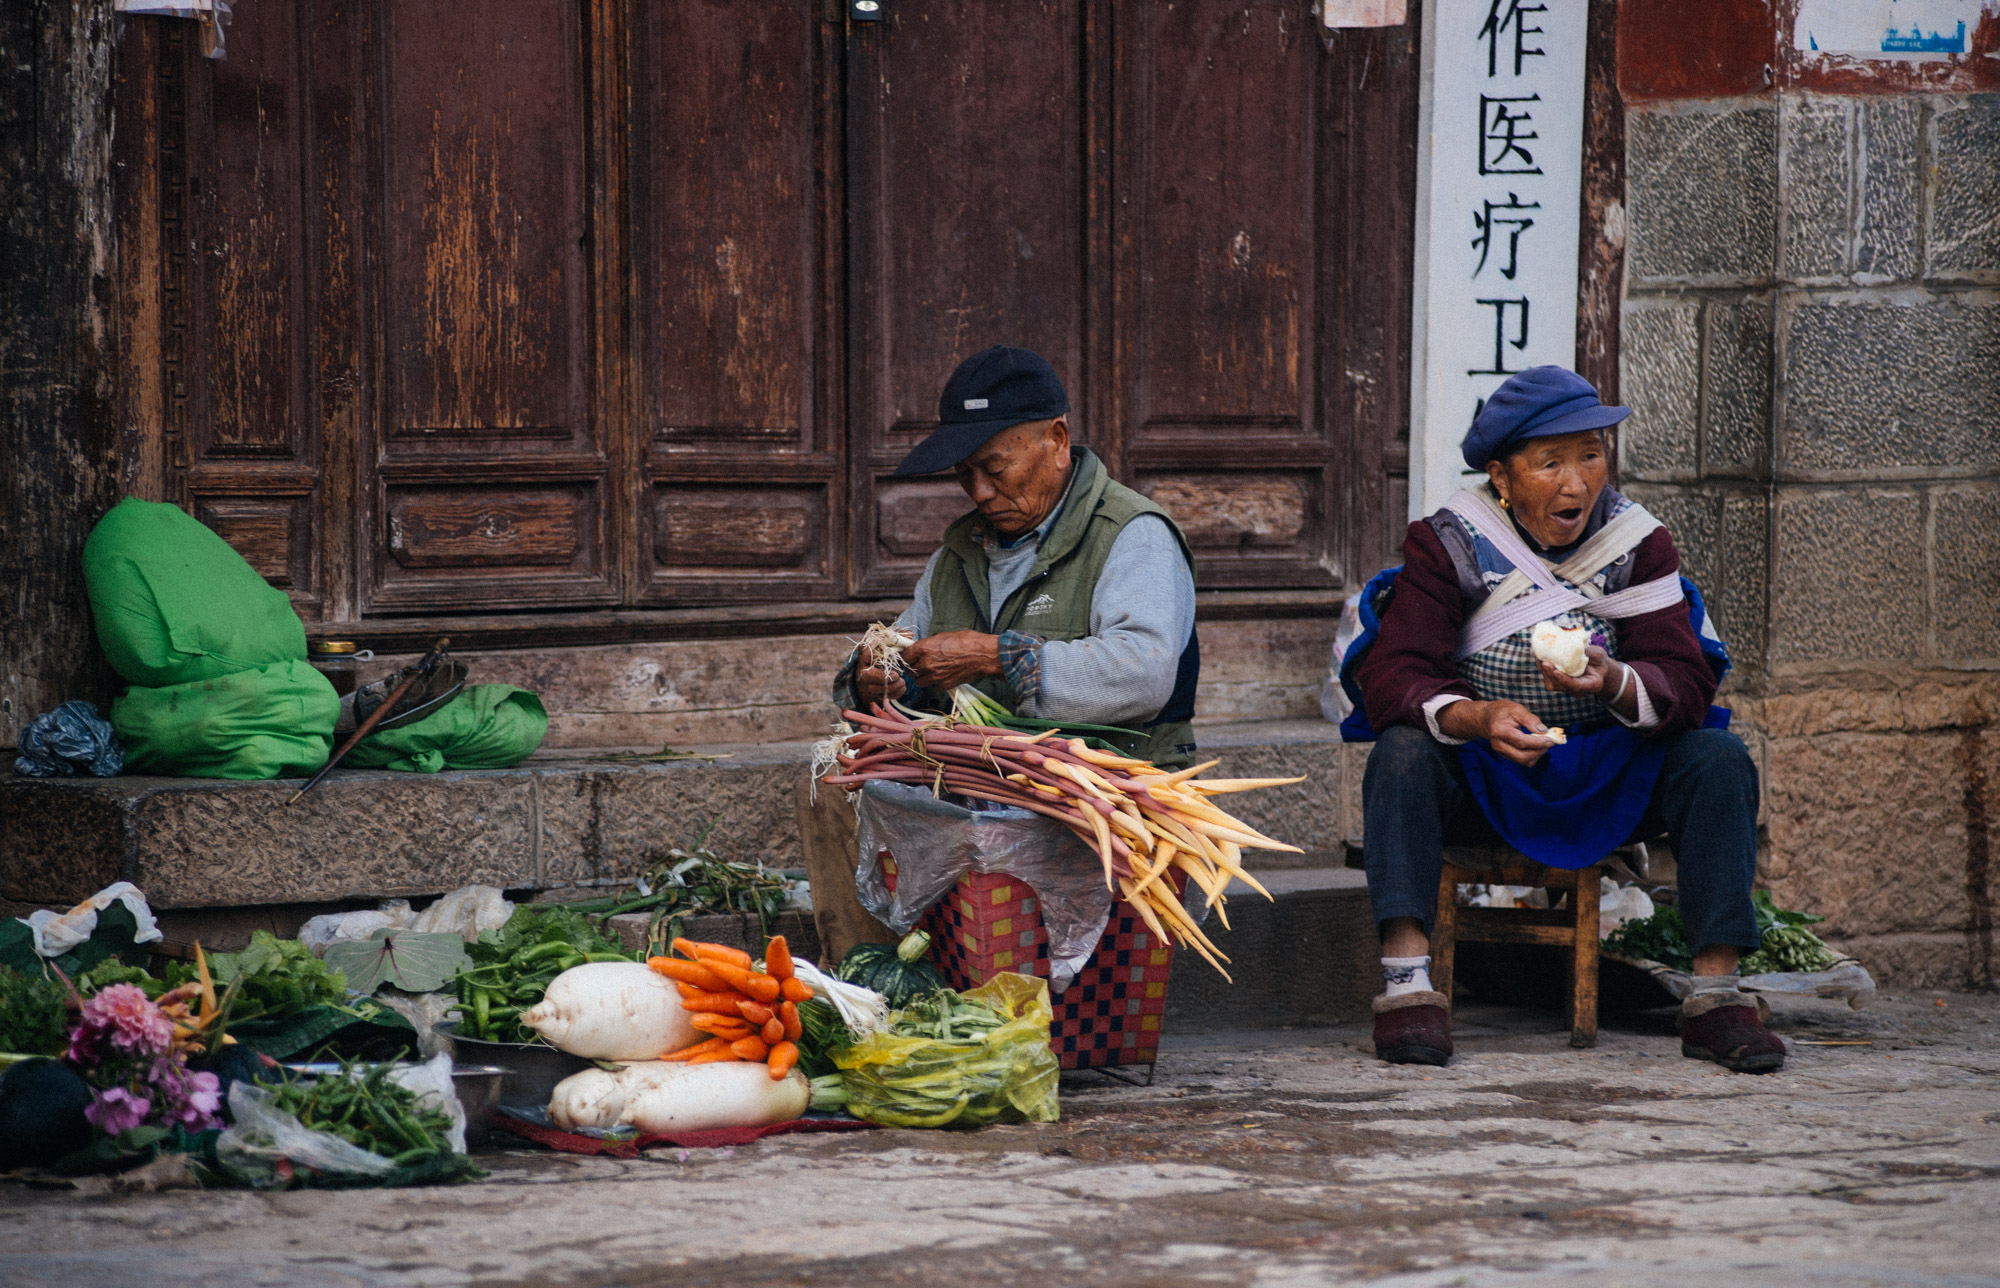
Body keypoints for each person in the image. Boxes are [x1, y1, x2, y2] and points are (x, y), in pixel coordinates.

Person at [1354, 366, 1781, 1074]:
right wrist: (1476, 715)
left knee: (1716, 759)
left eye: (1590, 454)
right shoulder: (1450, 544)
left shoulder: (1639, 543)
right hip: (1490, 771)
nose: (1577, 483)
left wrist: (1613, 680)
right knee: (1399, 753)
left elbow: (1684, 677)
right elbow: (1394, 674)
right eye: (1550, 462)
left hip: (1610, 764)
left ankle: (1716, 996)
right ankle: (1408, 989)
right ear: (1502, 474)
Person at [797, 344, 1201, 961]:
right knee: (838, 784)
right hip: (982, 781)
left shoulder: (1132, 534)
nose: (980, 492)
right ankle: (873, 989)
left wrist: (997, 656)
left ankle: (993, 999)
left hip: (1092, 791)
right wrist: (880, 679)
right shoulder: (959, 554)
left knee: (992, 830)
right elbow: (902, 650)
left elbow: (1143, 673)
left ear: (1058, 441)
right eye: (965, 475)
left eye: (996, 467)